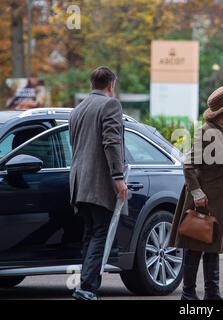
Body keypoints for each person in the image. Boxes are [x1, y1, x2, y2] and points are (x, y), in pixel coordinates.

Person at [169, 86, 223, 300]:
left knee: (211, 245)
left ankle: (212, 294)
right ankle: (188, 294)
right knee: (196, 245)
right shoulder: (206, 131)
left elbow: (217, 162)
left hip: (217, 197)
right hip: (205, 199)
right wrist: (198, 193)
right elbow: (189, 165)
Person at [69, 66, 128, 300]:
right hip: (98, 182)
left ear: (91, 83)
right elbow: (112, 142)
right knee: (100, 234)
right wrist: (118, 178)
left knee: (90, 234)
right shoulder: (110, 105)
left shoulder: (77, 109)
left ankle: (86, 284)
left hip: (78, 182)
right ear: (111, 85)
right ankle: (88, 287)